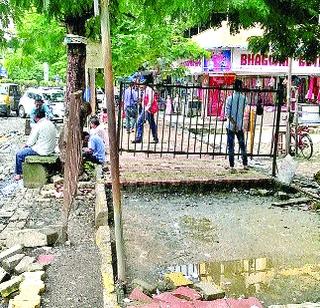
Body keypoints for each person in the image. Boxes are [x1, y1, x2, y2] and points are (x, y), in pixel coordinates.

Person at [15, 109, 56, 181]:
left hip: (41, 151)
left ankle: (19, 174)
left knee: (19, 154)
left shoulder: (38, 126)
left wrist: (25, 146)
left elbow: (30, 142)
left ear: (36, 118)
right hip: (50, 149)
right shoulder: (50, 123)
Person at [225, 79, 248, 172]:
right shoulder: (244, 99)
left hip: (231, 126)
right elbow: (244, 111)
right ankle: (245, 164)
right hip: (240, 125)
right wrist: (238, 125)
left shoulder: (230, 98)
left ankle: (231, 165)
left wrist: (233, 124)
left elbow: (227, 114)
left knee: (231, 146)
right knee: (242, 145)